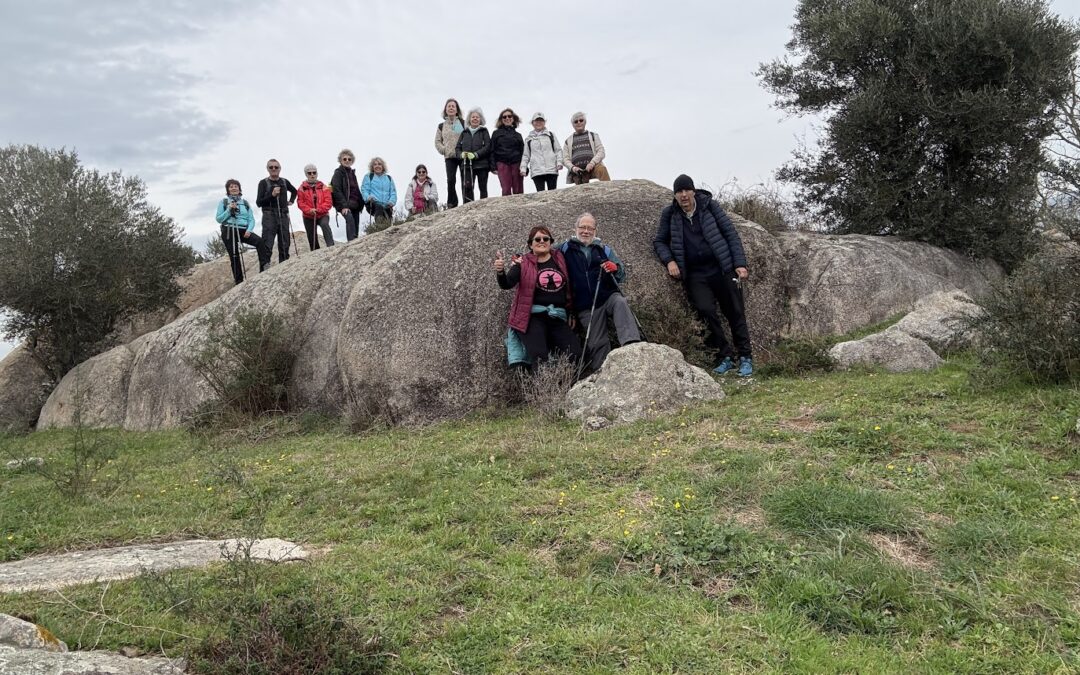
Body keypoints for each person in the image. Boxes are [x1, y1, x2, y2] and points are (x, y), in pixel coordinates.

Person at [653, 174, 753, 376]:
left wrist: (740, 264)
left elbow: (730, 234)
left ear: (693, 191)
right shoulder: (670, 214)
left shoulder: (710, 206)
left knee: (735, 311)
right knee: (706, 311)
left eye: (686, 191)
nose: (683, 195)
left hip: (721, 268)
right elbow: (659, 241)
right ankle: (725, 357)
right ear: (675, 195)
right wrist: (670, 261)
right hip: (695, 274)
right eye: (679, 192)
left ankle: (745, 357)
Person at [561, 212, 641, 373]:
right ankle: (604, 374)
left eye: (590, 228)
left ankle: (631, 344)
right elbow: (545, 256)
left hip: (607, 296)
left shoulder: (604, 249)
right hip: (585, 305)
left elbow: (621, 275)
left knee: (620, 302)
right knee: (597, 343)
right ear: (575, 228)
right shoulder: (564, 249)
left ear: (595, 231)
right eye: (582, 227)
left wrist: (614, 267)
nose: (586, 231)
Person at [495, 225, 582, 368]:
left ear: (550, 242)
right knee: (540, 356)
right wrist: (500, 272)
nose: (542, 241)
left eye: (546, 238)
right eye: (537, 239)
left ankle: (566, 387)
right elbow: (506, 284)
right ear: (530, 244)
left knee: (575, 353)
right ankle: (542, 389)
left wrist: (571, 312)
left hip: (557, 316)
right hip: (532, 317)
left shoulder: (560, 258)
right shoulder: (523, 263)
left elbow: (569, 287)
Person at [216, 179, 271, 285]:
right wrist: (228, 210)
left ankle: (264, 268)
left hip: (243, 229)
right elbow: (219, 219)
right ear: (227, 189)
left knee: (259, 242)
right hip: (229, 229)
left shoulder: (244, 203)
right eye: (231, 186)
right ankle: (239, 280)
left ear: (239, 189)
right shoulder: (224, 202)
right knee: (234, 254)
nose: (233, 188)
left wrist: (249, 230)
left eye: (236, 186)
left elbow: (251, 219)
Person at [256, 159, 298, 263]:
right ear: (267, 169)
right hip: (269, 215)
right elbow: (259, 202)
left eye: (276, 167)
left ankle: (284, 266)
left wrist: (291, 201)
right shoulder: (263, 183)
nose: (274, 169)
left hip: (283, 213)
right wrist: (272, 195)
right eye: (271, 167)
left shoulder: (284, 181)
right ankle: (265, 268)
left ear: (280, 168)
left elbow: (294, 191)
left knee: (285, 242)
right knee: (268, 242)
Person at [562, 112, 610, 185]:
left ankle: (609, 189)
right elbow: (565, 159)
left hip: (594, 167)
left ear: (585, 122)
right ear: (573, 125)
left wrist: (592, 163)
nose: (579, 122)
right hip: (577, 172)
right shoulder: (567, 141)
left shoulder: (593, 135)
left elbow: (601, 151)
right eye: (576, 121)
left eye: (581, 120)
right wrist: (573, 168)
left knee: (601, 169)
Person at [434, 98, 465, 208]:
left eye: (453, 106)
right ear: (445, 110)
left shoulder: (462, 123)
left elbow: (468, 137)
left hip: (461, 155)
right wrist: (444, 150)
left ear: (457, 110)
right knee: (451, 180)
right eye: (449, 106)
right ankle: (452, 203)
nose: (451, 108)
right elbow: (437, 141)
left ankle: (467, 202)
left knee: (465, 179)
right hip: (449, 157)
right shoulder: (441, 126)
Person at [455, 107, 491, 203]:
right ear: (469, 119)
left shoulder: (484, 131)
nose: (475, 119)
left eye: (477, 117)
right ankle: (468, 210)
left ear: (480, 119)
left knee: (483, 188)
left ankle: (484, 208)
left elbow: (488, 146)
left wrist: (476, 154)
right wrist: (461, 155)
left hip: (482, 165)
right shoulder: (464, 132)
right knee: (467, 188)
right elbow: (457, 148)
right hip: (467, 165)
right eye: (473, 117)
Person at [520, 113, 562, 192]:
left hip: (551, 169)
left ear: (544, 122)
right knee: (541, 195)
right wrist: (523, 168)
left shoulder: (551, 135)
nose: (539, 122)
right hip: (537, 171)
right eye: (536, 120)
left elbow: (558, 150)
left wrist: (559, 162)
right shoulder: (528, 139)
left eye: (541, 120)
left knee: (553, 194)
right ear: (532, 123)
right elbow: (526, 155)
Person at [296, 164, 334, 251]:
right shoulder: (301, 188)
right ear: (306, 174)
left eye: (314, 172)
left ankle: (331, 246)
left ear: (317, 173)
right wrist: (309, 210)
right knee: (311, 235)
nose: (312, 175)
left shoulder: (324, 187)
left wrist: (318, 210)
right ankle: (315, 252)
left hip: (322, 214)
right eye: (309, 173)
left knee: (325, 225)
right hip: (308, 216)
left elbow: (328, 202)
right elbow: (300, 202)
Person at [490, 108, 525, 195]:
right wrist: (493, 166)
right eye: (504, 117)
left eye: (509, 116)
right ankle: (507, 208)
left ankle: (520, 208)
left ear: (513, 119)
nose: (507, 118)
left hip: (517, 164)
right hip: (502, 163)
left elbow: (523, 152)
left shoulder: (518, 135)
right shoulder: (496, 133)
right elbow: (491, 150)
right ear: (501, 120)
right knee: (506, 189)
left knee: (518, 190)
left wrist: (525, 167)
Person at [330, 148, 363, 240]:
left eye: (349, 159)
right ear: (340, 160)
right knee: (350, 220)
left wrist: (361, 204)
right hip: (344, 204)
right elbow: (336, 190)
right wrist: (344, 206)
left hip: (355, 204)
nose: (347, 161)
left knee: (356, 226)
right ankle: (351, 244)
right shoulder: (338, 173)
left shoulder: (352, 173)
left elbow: (356, 189)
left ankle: (355, 243)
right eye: (344, 159)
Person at [361, 157, 397, 228]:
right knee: (379, 208)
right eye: (375, 164)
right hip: (373, 203)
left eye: (379, 164)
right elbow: (364, 190)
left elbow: (393, 192)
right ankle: (379, 228)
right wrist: (368, 197)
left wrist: (391, 201)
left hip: (387, 205)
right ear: (372, 167)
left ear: (383, 166)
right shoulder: (369, 177)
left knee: (388, 221)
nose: (377, 166)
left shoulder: (389, 178)